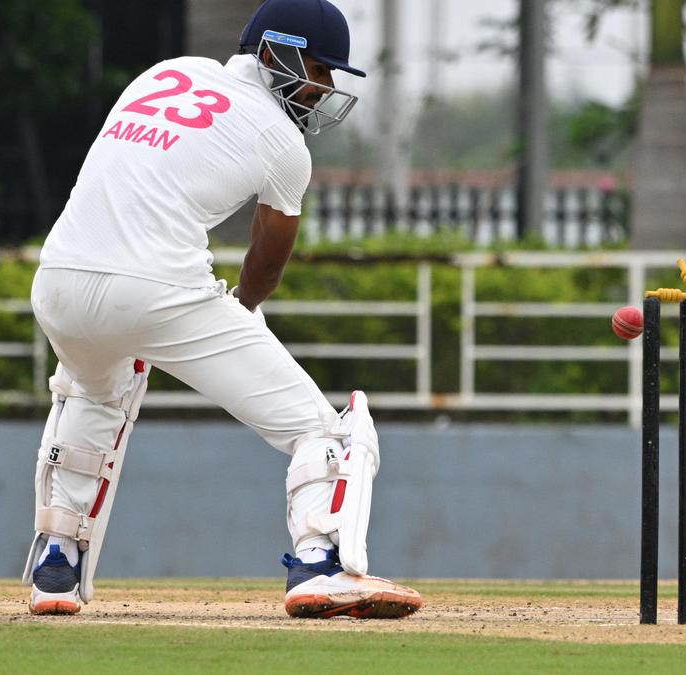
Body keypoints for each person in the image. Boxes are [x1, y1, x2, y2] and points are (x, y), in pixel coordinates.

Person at [21, 0, 421, 620]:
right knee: (323, 431)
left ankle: (56, 563)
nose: (324, 89)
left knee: (94, 397)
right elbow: (269, 254)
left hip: (58, 283)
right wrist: (243, 307)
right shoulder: (282, 141)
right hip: (157, 292)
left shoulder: (164, 73)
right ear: (277, 53)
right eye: (319, 69)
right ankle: (319, 565)